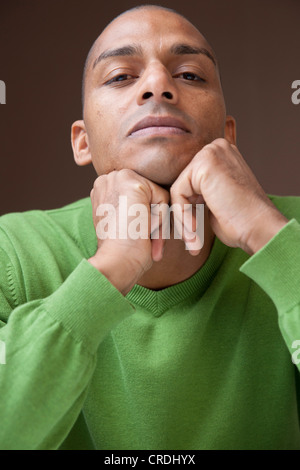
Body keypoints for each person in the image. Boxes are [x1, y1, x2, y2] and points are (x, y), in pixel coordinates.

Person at [0, 4, 299, 450]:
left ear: (229, 136)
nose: (158, 84)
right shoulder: (14, 251)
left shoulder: (290, 231)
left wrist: (266, 234)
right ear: (82, 141)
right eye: (121, 76)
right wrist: (113, 266)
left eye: (190, 75)